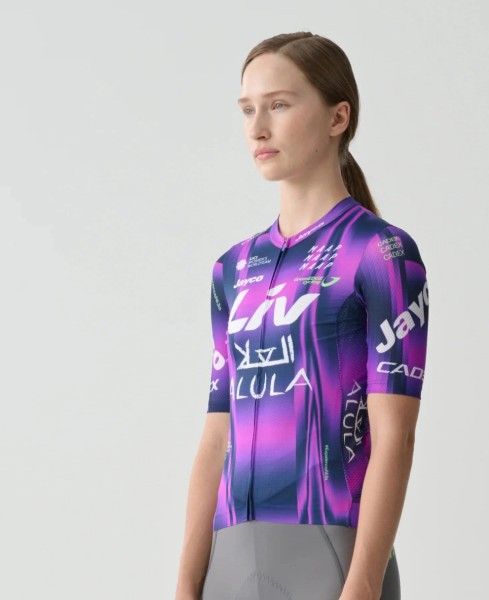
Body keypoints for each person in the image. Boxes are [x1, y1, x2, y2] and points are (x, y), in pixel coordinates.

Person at [174, 32, 429, 600]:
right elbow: (216, 435)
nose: (258, 128)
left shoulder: (381, 254)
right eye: (248, 110)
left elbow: (396, 436)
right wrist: (186, 584)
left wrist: (362, 586)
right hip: (228, 565)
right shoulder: (231, 269)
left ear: (339, 117)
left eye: (279, 105)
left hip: (333, 559)